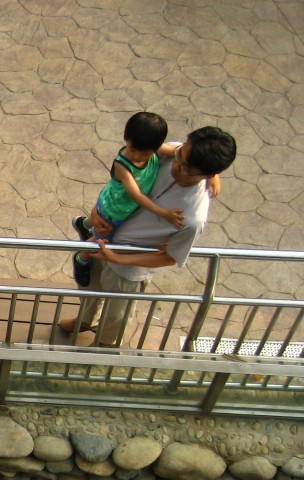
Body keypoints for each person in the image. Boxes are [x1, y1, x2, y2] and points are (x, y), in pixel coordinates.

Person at [60, 126, 237, 347]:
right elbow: (123, 178)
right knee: (90, 290)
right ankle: (84, 321)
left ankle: (105, 344)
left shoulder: (193, 217)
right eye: (179, 157)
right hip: (102, 241)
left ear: (207, 175)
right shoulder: (170, 152)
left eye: (187, 169)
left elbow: (170, 257)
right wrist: (97, 213)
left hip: (128, 268)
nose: (176, 167)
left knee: (117, 314)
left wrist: (120, 259)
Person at [70, 112, 187, 288]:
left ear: (155, 147)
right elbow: (137, 195)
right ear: (127, 140)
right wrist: (165, 214)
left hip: (117, 202)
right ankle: (82, 257)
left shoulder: (156, 149)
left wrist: (211, 174)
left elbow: (183, 153)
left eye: (145, 153)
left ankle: (84, 224)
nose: (137, 157)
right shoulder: (122, 164)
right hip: (113, 210)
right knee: (102, 240)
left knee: (96, 225)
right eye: (132, 149)